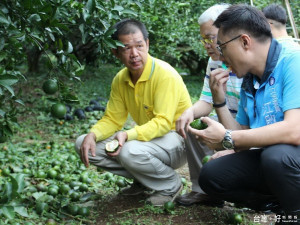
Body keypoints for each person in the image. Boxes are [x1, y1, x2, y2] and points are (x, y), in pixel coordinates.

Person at [190, 4, 300, 223]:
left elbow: (294, 130)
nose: (219, 55)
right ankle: (279, 204)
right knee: (212, 175)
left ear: (245, 41)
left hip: (286, 158)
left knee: (275, 157)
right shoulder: (250, 79)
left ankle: (294, 216)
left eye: (222, 46)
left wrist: (229, 138)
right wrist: (219, 101)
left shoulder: (293, 61)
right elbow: (242, 134)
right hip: (280, 161)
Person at [75, 18, 192, 206]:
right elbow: (113, 119)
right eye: (127, 48)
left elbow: (163, 122)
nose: (134, 54)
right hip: (152, 141)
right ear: (116, 52)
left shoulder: (164, 74)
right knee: (85, 144)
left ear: (147, 44)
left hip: (178, 140)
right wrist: (93, 134)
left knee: (128, 150)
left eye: (139, 46)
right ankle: (144, 181)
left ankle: (170, 185)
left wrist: (127, 135)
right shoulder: (120, 79)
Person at [175, 4, 243, 207]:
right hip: (225, 120)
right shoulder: (213, 63)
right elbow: (207, 100)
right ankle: (204, 191)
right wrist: (189, 112)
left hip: (252, 126)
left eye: (210, 38)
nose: (206, 44)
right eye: (203, 39)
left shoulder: (246, 63)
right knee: (195, 127)